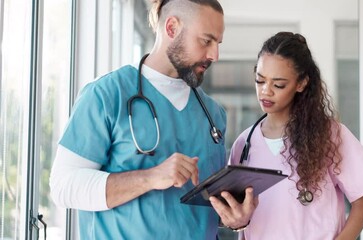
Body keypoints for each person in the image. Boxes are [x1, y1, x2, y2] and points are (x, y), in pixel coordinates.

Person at [49, 0, 254, 239]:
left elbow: (203, 207)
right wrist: (151, 176)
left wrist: (236, 219)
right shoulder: (107, 95)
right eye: (205, 41)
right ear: (171, 28)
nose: (214, 55)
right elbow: (63, 186)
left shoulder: (212, 113)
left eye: (217, 44)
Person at [227, 32, 363, 240]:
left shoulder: (330, 135)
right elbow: (237, 215)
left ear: (301, 84)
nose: (265, 91)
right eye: (260, 80)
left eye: (278, 85)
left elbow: (360, 206)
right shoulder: (243, 145)